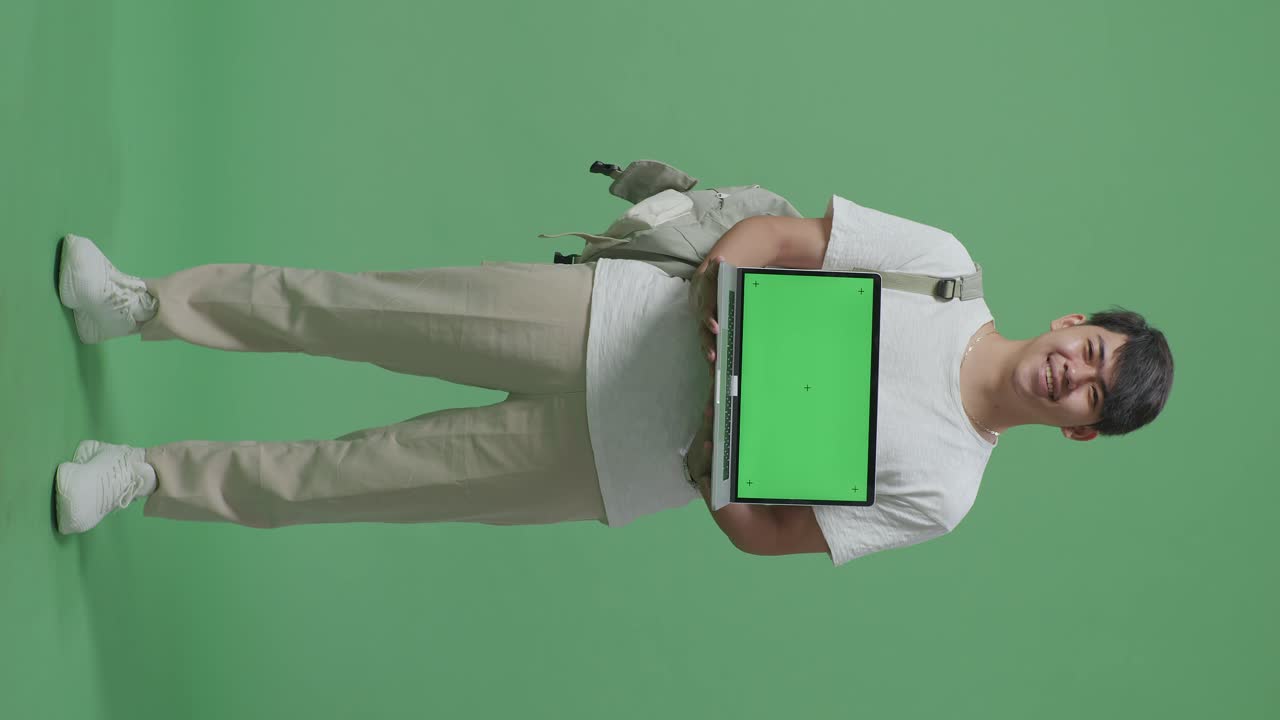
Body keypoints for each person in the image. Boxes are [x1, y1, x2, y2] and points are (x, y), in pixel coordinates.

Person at [52, 193, 1174, 569]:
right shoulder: (943, 270)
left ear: (1078, 431)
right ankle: (142, 306)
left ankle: (141, 476)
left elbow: (772, 534)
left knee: (348, 482)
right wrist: (709, 302)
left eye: (1090, 395)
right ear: (1075, 322)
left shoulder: (949, 492)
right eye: (1092, 352)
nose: (1074, 374)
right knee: (345, 305)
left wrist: (716, 466)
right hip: (605, 322)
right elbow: (780, 237)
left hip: (607, 465)